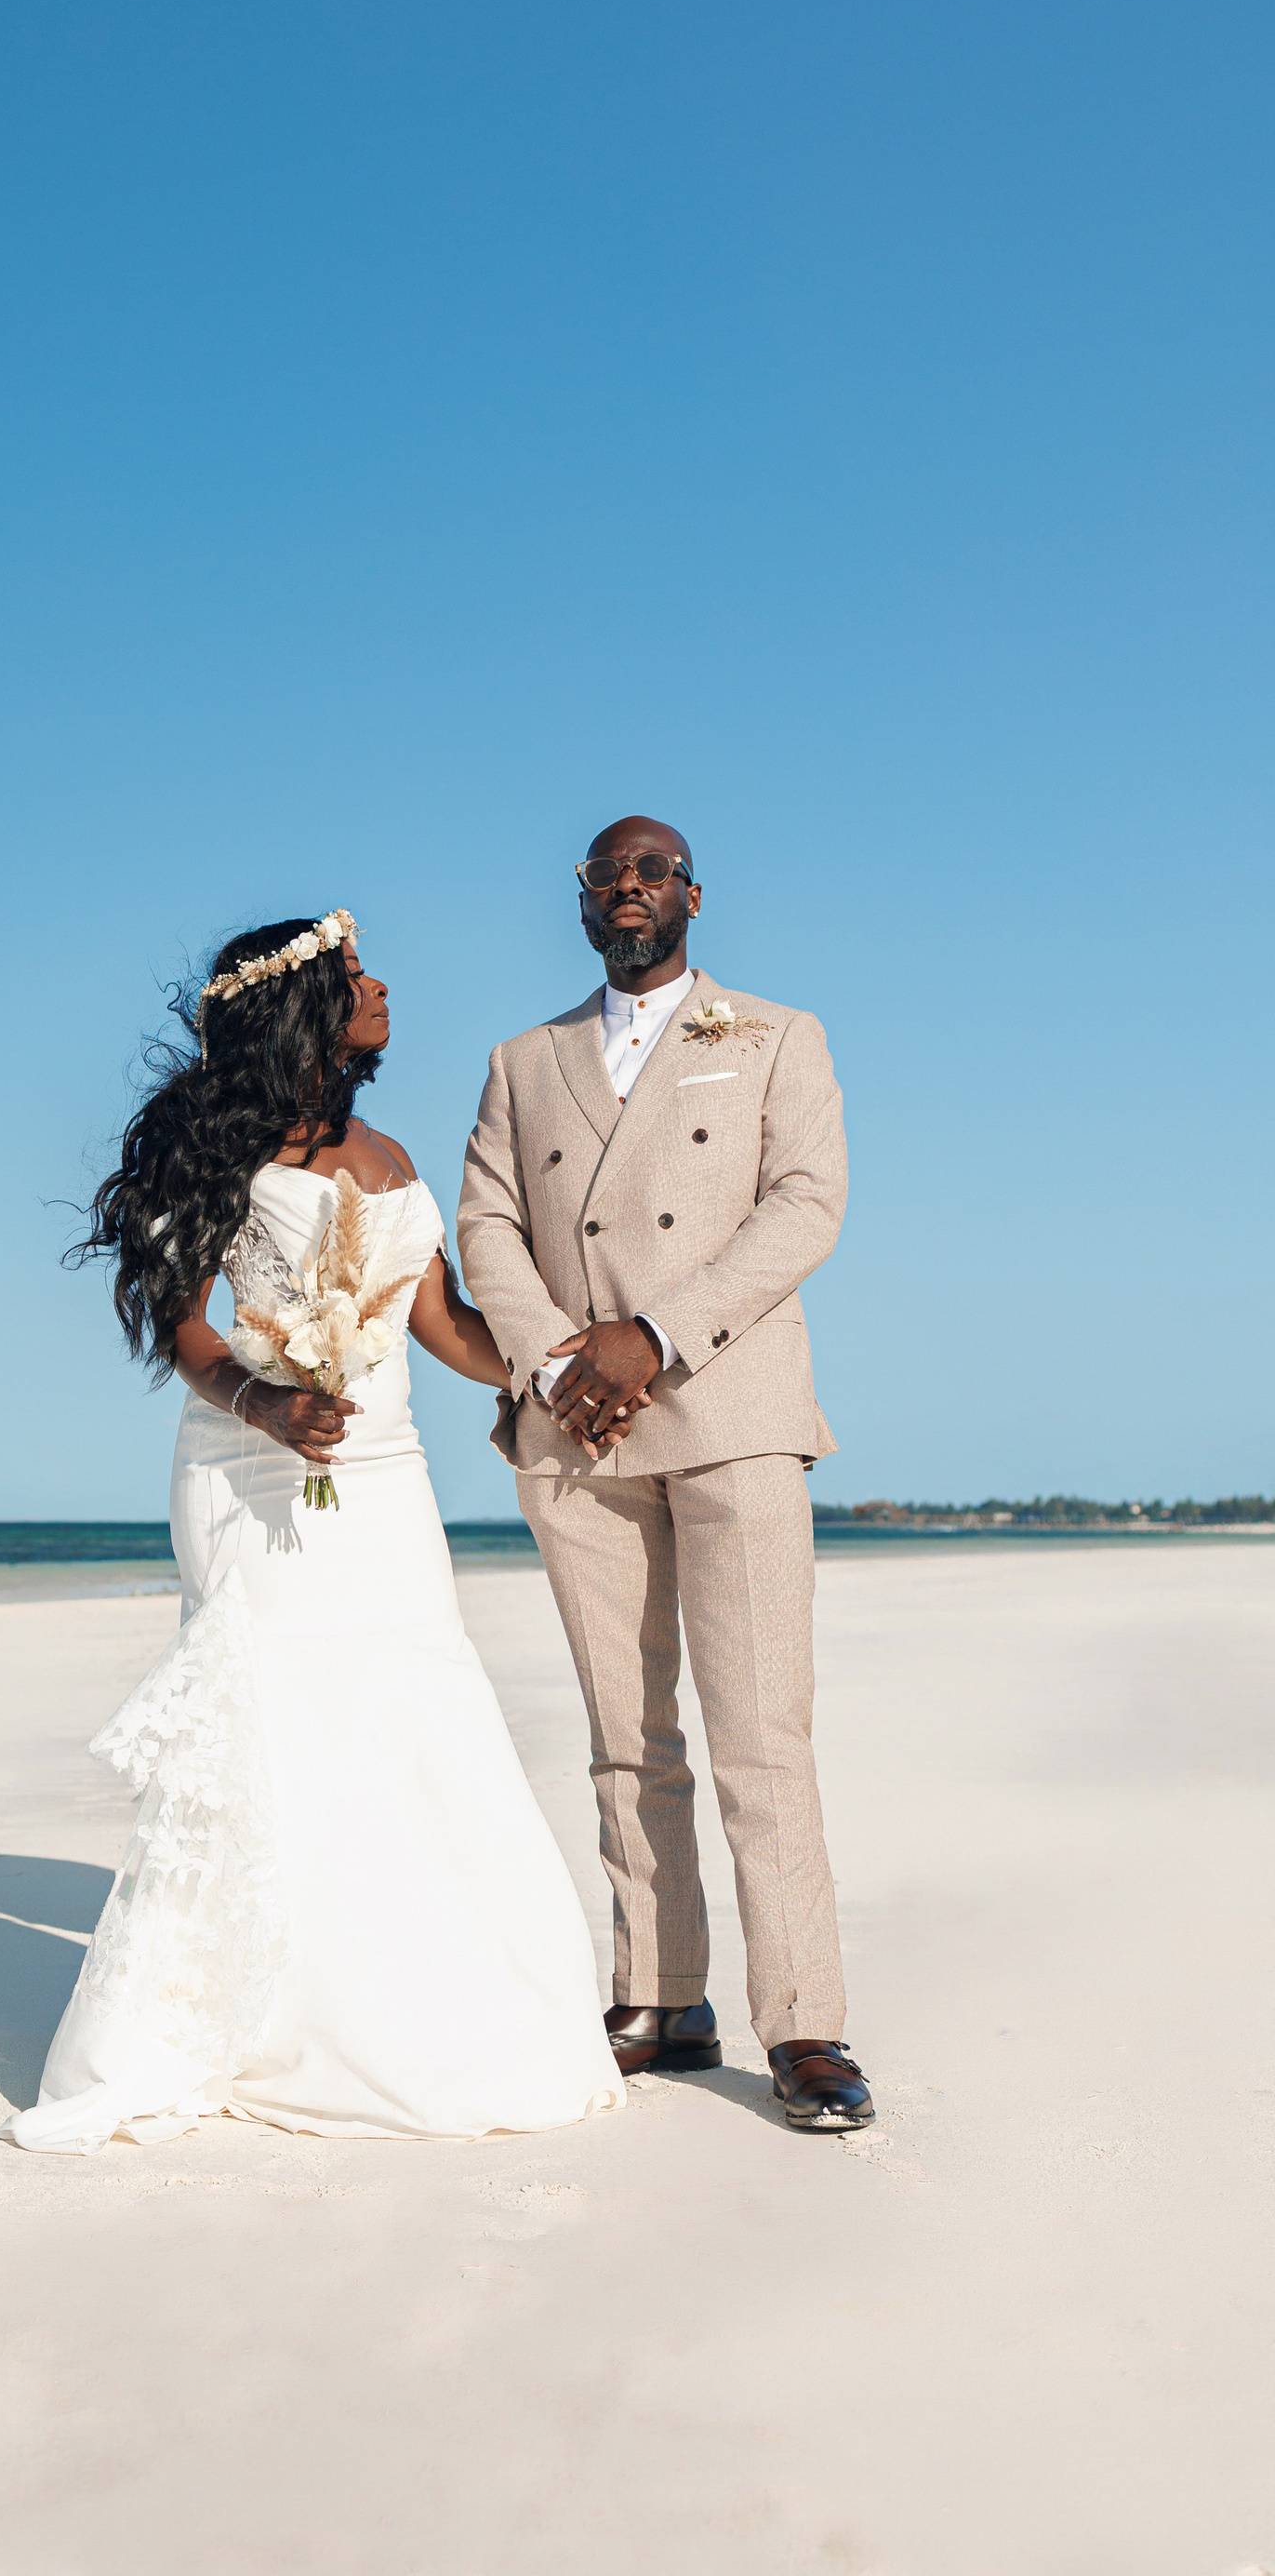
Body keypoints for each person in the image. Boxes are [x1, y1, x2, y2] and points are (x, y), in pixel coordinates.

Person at [1, 910, 624, 2152]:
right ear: (300, 1009)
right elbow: (181, 1325)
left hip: (385, 1479)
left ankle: (420, 2001)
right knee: (282, 1723)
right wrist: (267, 1405)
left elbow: (441, 1326)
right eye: (353, 975)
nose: (381, 986)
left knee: (411, 1710)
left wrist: (556, 1368)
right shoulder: (216, 1146)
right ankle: (256, 2017)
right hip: (252, 1470)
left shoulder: (389, 1150)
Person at [457, 820, 875, 2132]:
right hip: (577, 1429)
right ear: (582, 902)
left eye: (651, 871)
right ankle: (660, 1995)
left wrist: (655, 1334)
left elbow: (806, 1204)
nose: (627, 887)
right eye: (606, 874)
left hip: (732, 1408)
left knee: (761, 1733)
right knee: (625, 1737)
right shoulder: (521, 1061)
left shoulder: (778, 1035)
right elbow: (487, 1223)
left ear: (693, 894)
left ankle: (804, 2023)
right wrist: (556, 1362)